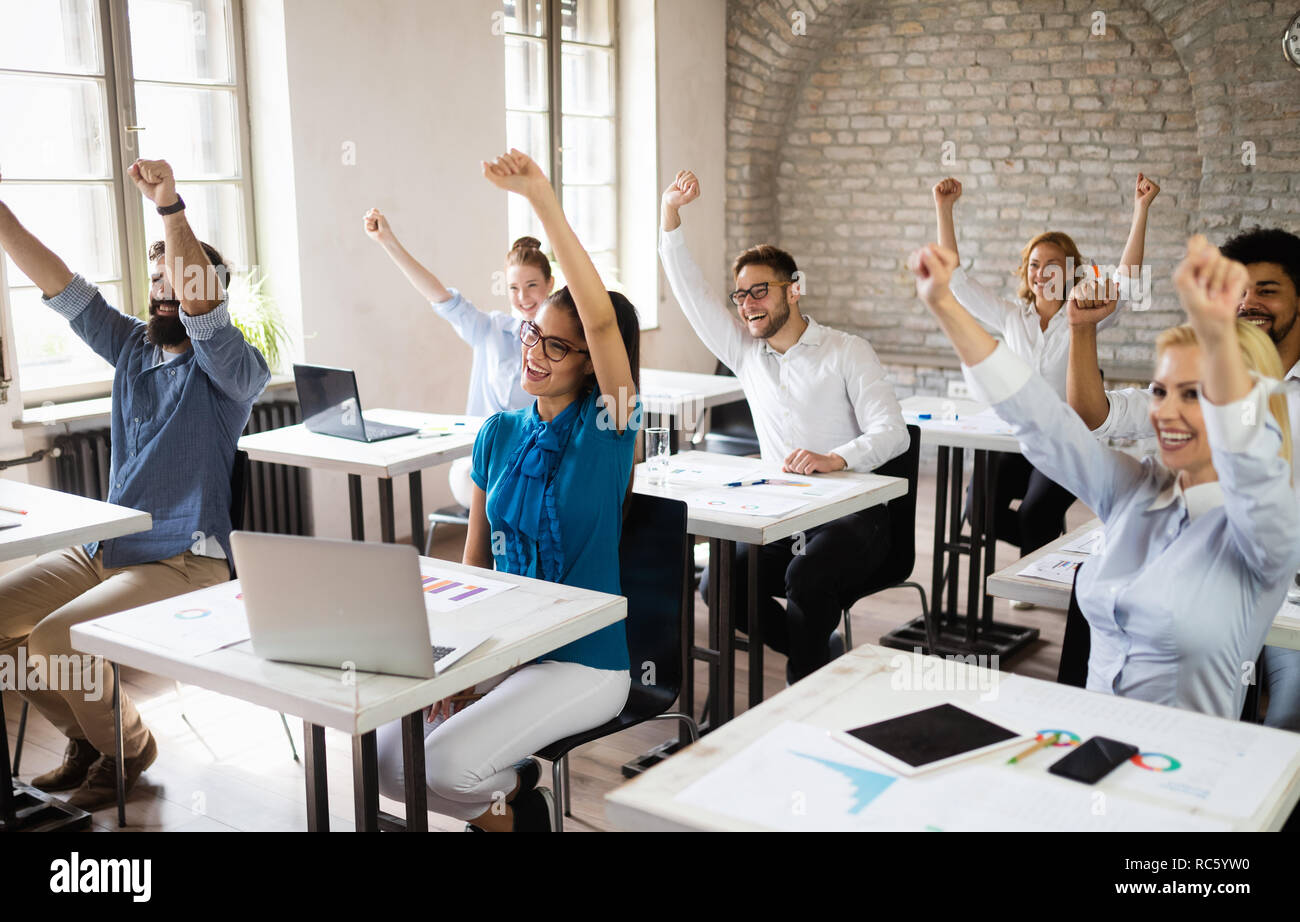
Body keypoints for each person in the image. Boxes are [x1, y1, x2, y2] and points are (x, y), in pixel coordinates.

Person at [910, 234, 1300, 720]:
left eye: (1196, 395)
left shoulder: (1264, 530)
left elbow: (1255, 477)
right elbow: (1046, 425)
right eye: (1161, 392)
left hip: (1181, 769)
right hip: (1089, 744)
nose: (1168, 413)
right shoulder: (1135, 490)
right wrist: (945, 306)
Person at [374, 149, 640, 831]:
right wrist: (459, 664)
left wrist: (540, 200)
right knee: (382, 751)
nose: (533, 352)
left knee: (437, 769)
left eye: (557, 346)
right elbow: (477, 562)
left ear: (591, 364)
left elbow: (603, 321)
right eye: (532, 336)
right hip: (504, 645)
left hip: (583, 661)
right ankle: (515, 798)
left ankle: (516, 808)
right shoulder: (498, 432)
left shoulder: (608, 428)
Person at [0, 160, 271, 808]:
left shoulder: (231, 370)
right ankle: (94, 738)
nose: (162, 291)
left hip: (185, 560)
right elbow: (64, 288)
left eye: (176, 280)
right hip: (107, 547)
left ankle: (124, 750)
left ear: (209, 291)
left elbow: (204, 313)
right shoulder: (130, 349)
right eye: (155, 280)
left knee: (53, 637)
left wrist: (170, 207)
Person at [659, 169, 909, 684]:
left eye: (760, 291)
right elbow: (691, 295)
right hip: (784, 513)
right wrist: (671, 217)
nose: (748, 303)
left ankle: (805, 678)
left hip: (857, 515)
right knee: (720, 584)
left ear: (793, 291)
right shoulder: (746, 355)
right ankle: (817, 653)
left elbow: (894, 434)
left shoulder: (847, 350)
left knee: (806, 575)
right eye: (741, 295)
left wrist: (835, 458)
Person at [1067, 226, 1300, 731]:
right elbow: (1096, 415)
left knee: (1286, 726)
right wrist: (1082, 330)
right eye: (1240, 290)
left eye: (1267, 289)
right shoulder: (1191, 370)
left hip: (1284, 593)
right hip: (1193, 581)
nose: (1249, 302)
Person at [932, 174, 1160, 575]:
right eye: (1034, 265)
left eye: (1052, 266)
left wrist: (1140, 209)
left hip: (1066, 443)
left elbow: (1127, 281)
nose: (1041, 273)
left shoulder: (1086, 317)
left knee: (1036, 513)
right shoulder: (1011, 317)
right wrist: (944, 209)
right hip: (1018, 440)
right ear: (1026, 271)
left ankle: (1033, 564)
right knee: (977, 512)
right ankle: (1047, 547)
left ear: (1071, 273)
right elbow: (957, 282)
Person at [364, 210, 552, 510]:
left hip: (537, 463)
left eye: (532, 285)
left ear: (549, 284)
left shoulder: (559, 345)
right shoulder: (489, 330)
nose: (523, 297)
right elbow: (438, 296)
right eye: (514, 288)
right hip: (483, 464)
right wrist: (388, 241)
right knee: (482, 481)